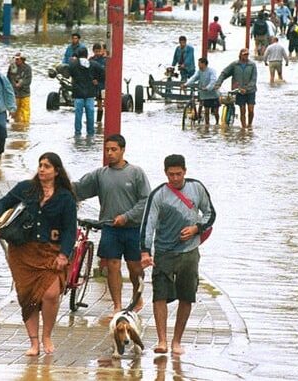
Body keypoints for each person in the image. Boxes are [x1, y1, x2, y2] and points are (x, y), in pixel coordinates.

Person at [0, 152, 77, 356]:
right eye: (40, 165)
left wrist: (64, 254)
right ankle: (34, 342)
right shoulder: (25, 189)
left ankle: (47, 335)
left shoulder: (65, 197)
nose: (42, 169)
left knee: (51, 293)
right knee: (27, 295)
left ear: (56, 171)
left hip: (51, 251)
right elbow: (3, 202)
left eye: (47, 166)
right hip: (22, 251)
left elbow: (70, 230)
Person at [140, 154, 216, 355]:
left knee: (187, 295)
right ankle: (162, 340)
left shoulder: (197, 188)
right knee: (160, 295)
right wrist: (145, 252)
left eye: (178, 174)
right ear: (165, 173)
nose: (175, 178)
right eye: (171, 174)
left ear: (185, 171)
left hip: (189, 251)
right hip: (164, 251)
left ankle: (177, 341)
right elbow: (148, 225)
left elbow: (210, 214)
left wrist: (196, 228)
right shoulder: (158, 195)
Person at [73, 134, 151, 314]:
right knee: (112, 266)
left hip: (133, 228)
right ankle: (117, 305)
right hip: (110, 227)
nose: (110, 153)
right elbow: (79, 188)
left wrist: (126, 216)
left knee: (134, 267)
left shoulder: (136, 172)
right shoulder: (100, 175)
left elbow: (146, 200)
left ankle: (136, 297)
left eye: (114, 149)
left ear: (123, 150)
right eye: (107, 149)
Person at [214, 48, 257, 128]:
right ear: (240, 55)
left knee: (251, 109)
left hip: (251, 91)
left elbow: (254, 79)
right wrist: (218, 83)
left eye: (247, 55)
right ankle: (244, 128)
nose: (246, 56)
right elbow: (224, 73)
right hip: (239, 91)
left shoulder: (252, 65)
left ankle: (250, 124)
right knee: (242, 110)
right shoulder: (234, 65)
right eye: (244, 55)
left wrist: (247, 88)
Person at [66, 47, 105, 136]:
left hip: (78, 93)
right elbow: (103, 73)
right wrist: (97, 81)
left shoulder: (73, 64)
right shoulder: (93, 64)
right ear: (87, 54)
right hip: (90, 93)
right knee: (90, 114)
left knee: (78, 115)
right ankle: (90, 133)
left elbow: (67, 73)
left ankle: (77, 133)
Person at [182, 57, 221, 125]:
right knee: (206, 111)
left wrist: (208, 88)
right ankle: (207, 125)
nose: (198, 65)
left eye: (199, 64)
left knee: (215, 112)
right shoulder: (199, 72)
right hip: (205, 95)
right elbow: (193, 78)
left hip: (213, 94)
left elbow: (213, 80)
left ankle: (217, 123)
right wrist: (186, 84)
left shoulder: (211, 71)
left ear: (204, 64)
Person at [7, 52, 32, 124]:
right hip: (14, 93)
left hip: (25, 93)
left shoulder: (27, 68)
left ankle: (25, 125)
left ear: (22, 59)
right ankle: (16, 126)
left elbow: (28, 80)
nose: (16, 61)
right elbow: (9, 78)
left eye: (18, 59)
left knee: (25, 112)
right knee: (15, 112)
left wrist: (21, 84)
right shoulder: (11, 67)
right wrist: (14, 85)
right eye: (15, 59)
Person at [89, 43, 107, 124]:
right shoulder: (91, 60)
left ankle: (101, 121)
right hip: (93, 84)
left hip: (102, 84)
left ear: (101, 51)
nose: (98, 53)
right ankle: (97, 121)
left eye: (99, 51)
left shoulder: (105, 60)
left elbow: (106, 73)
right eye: (96, 51)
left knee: (103, 102)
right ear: (93, 51)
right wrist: (92, 80)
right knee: (96, 103)